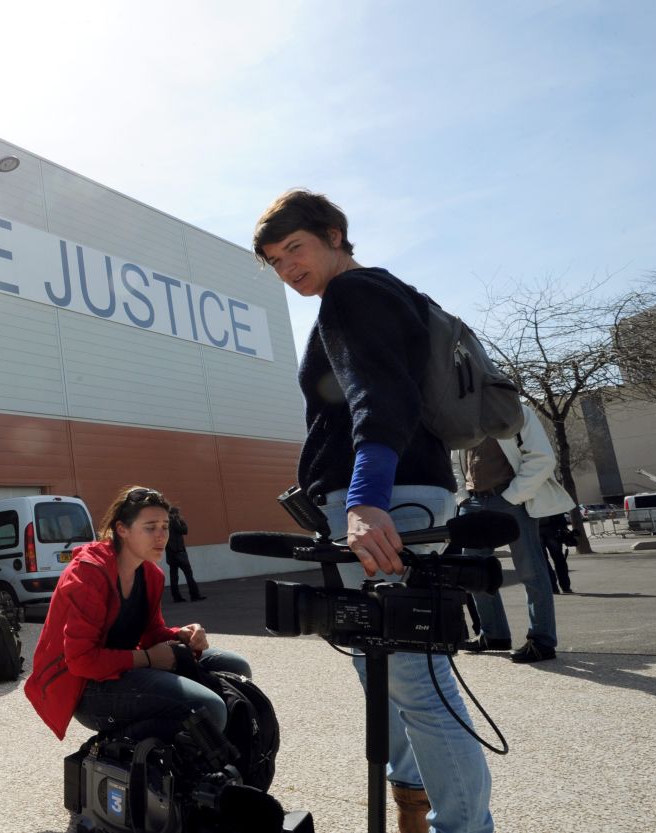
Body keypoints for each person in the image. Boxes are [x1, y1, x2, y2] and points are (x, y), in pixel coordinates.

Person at [254, 189, 493, 833]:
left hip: (390, 504)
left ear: (335, 235)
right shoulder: (391, 291)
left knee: (415, 677)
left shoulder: (352, 294)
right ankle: (412, 801)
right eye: (275, 261)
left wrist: (363, 499)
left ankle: (460, 826)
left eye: (295, 249)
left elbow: (377, 398)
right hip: (400, 499)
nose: (287, 269)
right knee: (378, 660)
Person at [25, 486, 250, 743]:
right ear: (122, 530)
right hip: (85, 687)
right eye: (150, 527)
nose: (161, 535)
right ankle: (158, 764)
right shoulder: (89, 574)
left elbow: (152, 632)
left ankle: (223, 764)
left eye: (165, 526)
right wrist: (147, 658)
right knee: (209, 708)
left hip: (123, 669)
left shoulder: (151, 574)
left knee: (235, 667)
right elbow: (80, 661)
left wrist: (183, 635)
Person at [452, 402, 574, 663]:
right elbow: (454, 461)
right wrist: (462, 496)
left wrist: (513, 496)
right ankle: (493, 635)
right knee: (473, 572)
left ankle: (541, 640)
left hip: (509, 499)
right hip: (473, 502)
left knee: (530, 570)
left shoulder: (516, 412)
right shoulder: (463, 414)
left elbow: (542, 457)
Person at [165, 505, 204, 602]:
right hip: (179, 553)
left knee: (174, 577)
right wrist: (181, 521)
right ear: (175, 513)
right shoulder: (174, 522)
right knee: (189, 574)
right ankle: (194, 595)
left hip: (170, 554)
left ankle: (176, 597)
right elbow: (184, 530)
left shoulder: (164, 523)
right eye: (178, 513)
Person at [540, 513, 575, 594]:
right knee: (559, 559)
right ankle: (565, 587)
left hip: (537, 529)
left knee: (544, 561)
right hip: (553, 529)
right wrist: (563, 527)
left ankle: (553, 587)